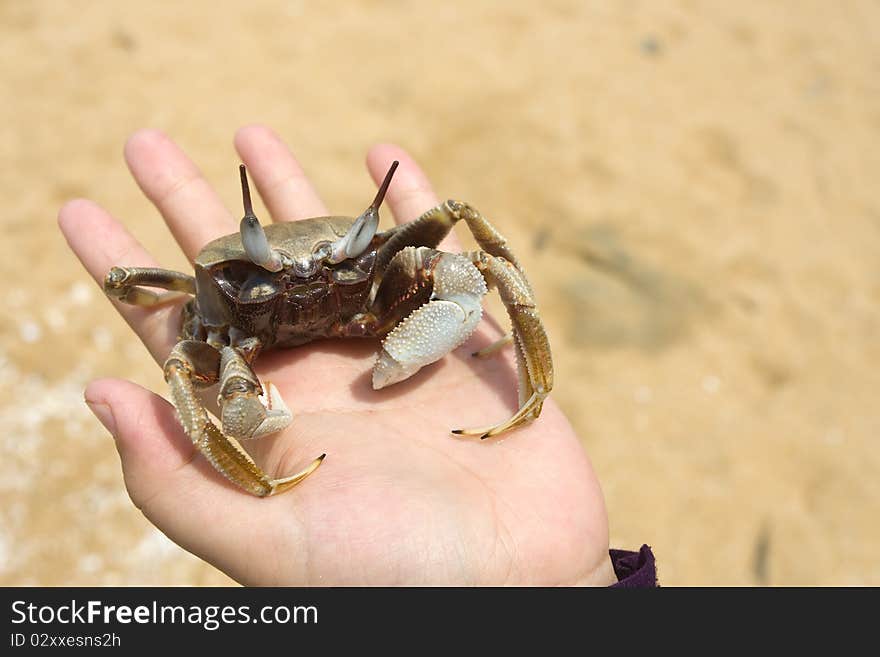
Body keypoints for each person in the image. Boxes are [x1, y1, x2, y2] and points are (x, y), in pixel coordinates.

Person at [58, 126, 656, 587]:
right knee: (182, 376)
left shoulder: (381, 269)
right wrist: (256, 476)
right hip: (243, 336)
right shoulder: (214, 306)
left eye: (336, 264)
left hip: (367, 303)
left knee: (480, 268)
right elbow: (142, 309)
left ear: (366, 240)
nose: (311, 280)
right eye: (270, 274)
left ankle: (535, 390)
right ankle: (254, 476)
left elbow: (478, 269)